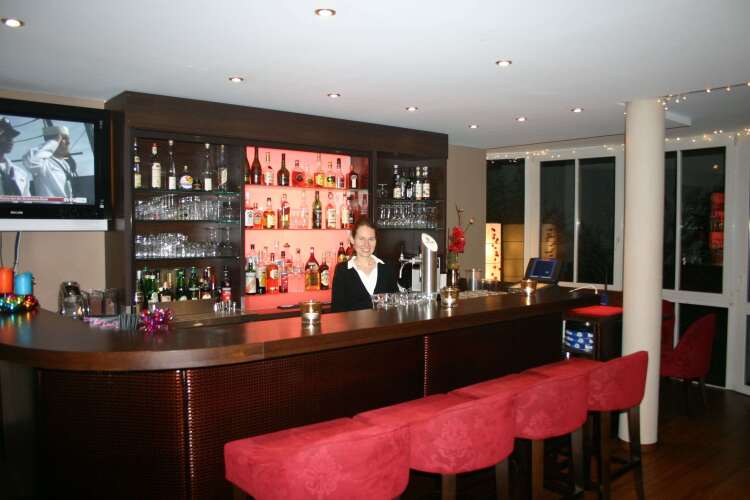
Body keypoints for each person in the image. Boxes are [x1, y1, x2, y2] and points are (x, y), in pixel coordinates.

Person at [331, 217, 398, 312]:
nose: (366, 245)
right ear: (352, 239)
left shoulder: (387, 268)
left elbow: (395, 306)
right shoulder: (342, 271)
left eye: (371, 239)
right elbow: (337, 311)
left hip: (383, 322)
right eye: (361, 239)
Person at [23, 125, 77, 198]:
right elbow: (30, 161)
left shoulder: (65, 164)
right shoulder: (43, 162)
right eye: (64, 139)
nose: (68, 142)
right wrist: (54, 142)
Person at [0, 117, 31, 196]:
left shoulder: (21, 174)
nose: (11, 140)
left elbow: (27, 201)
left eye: (12, 136)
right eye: (5, 135)